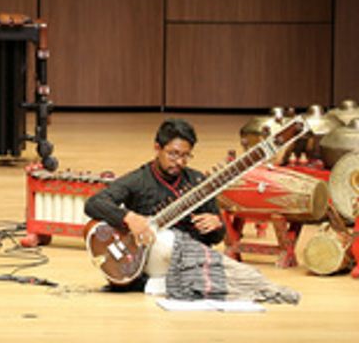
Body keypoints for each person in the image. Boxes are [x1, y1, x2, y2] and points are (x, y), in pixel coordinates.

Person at [83, 118, 299, 303]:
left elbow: (216, 237)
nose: (179, 162)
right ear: (157, 148)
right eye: (173, 154)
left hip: (192, 258)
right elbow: (93, 203)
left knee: (246, 276)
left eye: (186, 156)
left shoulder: (198, 183)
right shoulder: (139, 180)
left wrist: (217, 225)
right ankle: (177, 283)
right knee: (166, 239)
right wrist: (129, 217)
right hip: (152, 256)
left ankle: (161, 286)